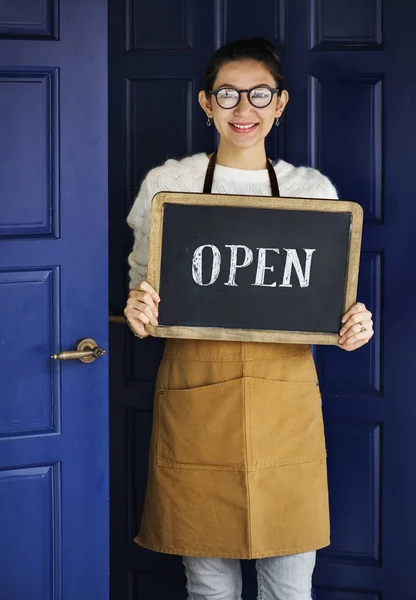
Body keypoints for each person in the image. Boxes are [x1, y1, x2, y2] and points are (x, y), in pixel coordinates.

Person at [124, 37, 374, 600]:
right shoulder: (170, 186)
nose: (244, 109)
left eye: (260, 95)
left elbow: (330, 306)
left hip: (285, 407)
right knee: (209, 587)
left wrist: (353, 325)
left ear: (280, 104)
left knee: (290, 587)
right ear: (206, 104)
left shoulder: (314, 191)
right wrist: (138, 313)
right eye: (228, 94)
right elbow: (142, 291)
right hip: (195, 402)